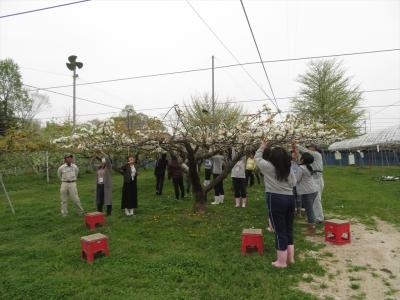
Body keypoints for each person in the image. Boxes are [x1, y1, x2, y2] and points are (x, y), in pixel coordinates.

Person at [255, 142, 296, 268]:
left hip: (275, 198)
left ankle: (281, 262)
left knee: (279, 231)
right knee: (288, 229)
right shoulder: (287, 167)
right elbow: (293, 183)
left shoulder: (268, 166)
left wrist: (262, 146)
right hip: (290, 198)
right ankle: (291, 258)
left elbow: (257, 158)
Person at [297, 143, 324, 223]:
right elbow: (301, 160)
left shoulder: (317, 154)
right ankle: (315, 217)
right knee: (313, 200)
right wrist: (296, 152)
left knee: (317, 199)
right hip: (313, 179)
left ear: (314, 148)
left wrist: (297, 145)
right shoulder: (310, 158)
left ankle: (319, 218)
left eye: (309, 147)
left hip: (317, 179)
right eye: (308, 147)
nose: (308, 149)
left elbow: (305, 152)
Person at [293, 151, 318, 235]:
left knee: (309, 210)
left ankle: (311, 230)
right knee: (310, 209)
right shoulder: (309, 166)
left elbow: (297, 179)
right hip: (314, 190)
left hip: (307, 192)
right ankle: (312, 227)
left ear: (303, 159)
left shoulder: (301, 168)